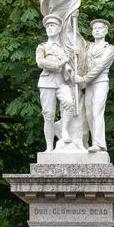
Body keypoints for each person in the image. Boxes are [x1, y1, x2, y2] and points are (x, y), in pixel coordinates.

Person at [36, 14, 76, 151]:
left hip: (61, 83)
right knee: (48, 116)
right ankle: (49, 147)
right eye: (48, 26)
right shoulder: (42, 47)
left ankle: (64, 130)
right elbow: (41, 62)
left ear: (59, 28)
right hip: (47, 83)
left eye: (53, 26)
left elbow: (71, 63)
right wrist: (60, 63)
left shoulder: (63, 48)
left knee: (69, 103)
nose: (50, 28)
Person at [75, 19, 114, 152]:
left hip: (100, 82)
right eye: (95, 28)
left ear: (105, 31)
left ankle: (99, 143)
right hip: (89, 85)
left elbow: (100, 66)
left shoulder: (109, 49)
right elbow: (79, 53)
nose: (97, 30)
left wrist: (83, 79)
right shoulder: (89, 47)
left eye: (100, 28)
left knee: (97, 111)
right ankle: (92, 143)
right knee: (89, 113)